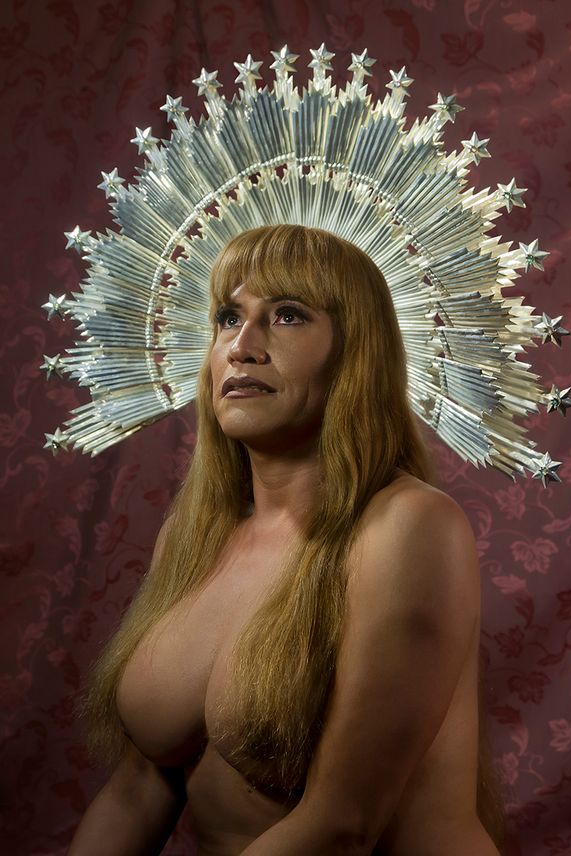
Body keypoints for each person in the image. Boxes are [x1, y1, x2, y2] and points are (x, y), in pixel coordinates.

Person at [67, 224, 504, 855]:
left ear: (355, 354)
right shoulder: (193, 539)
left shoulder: (408, 527)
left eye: (288, 315)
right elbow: (138, 788)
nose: (242, 347)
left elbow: (341, 825)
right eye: (228, 319)